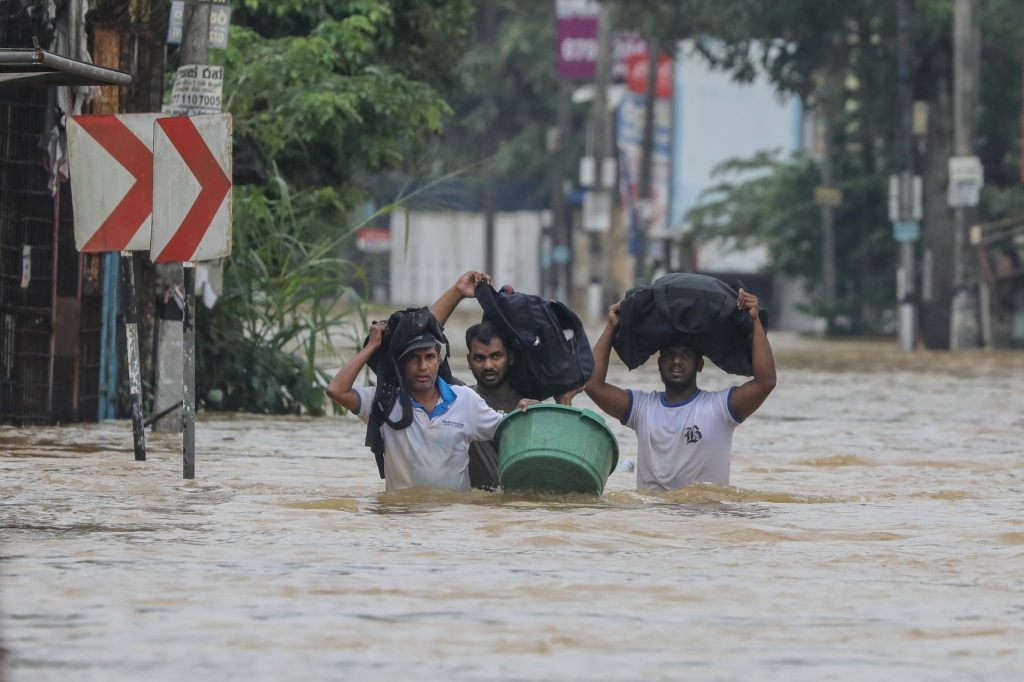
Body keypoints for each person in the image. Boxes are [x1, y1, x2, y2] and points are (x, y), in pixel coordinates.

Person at [584, 288, 776, 491]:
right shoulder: (641, 408)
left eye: (685, 355)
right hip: (653, 517)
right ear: (659, 363)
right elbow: (592, 384)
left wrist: (755, 322)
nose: (676, 361)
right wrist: (611, 326)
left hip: (704, 517)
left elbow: (766, 382)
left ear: (700, 364)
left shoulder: (720, 408)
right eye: (668, 355)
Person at [326, 320, 533, 492]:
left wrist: (528, 409)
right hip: (401, 518)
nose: (423, 366)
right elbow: (336, 390)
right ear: (401, 363)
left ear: (439, 360)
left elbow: (511, 430)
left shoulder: (465, 400)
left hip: (451, 519)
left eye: (429, 357)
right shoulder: (384, 402)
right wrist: (372, 346)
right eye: (414, 358)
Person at [430, 271, 580, 489]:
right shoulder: (458, 398)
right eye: (479, 358)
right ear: (469, 361)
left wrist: (564, 402)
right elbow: (421, 340)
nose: (488, 365)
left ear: (510, 357)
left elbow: (565, 469)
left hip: (520, 511)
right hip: (472, 513)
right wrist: (458, 292)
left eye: (496, 356)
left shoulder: (530, 407)